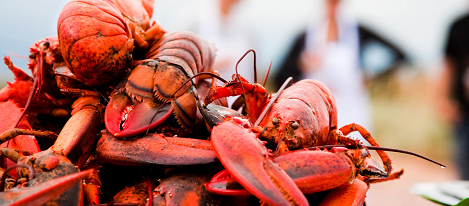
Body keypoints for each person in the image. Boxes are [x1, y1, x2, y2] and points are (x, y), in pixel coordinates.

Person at [274, 0, 406, 140]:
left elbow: (401, 55)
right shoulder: (304, 36)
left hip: (352, 113)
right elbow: (280, 76)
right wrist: (300, 65)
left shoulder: (359, 32)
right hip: (316, 117)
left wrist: (372, 76)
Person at [189, 0, 255, 107]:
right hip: (200, 101)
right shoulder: (194, 21)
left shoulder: (247, 28)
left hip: (239, 105)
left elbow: (253, 71)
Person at [437, 13, 469, 180]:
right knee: (465, 170)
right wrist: (443, 99)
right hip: (464, 113)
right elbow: (448, 64)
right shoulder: (459, 25)